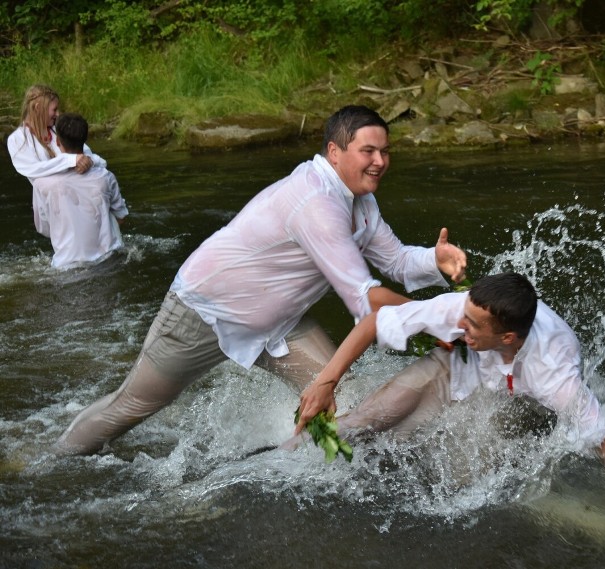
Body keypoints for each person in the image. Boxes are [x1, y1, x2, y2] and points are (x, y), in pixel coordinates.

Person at [55, 105, 467, 456]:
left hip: (279, 321)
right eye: (368, 151)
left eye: (385, 151)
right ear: (335, 152)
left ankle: (305, 472)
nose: (379, 161)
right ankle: (52, 461)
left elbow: (394, 259)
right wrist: (437, 317)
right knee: (132, 406)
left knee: (340, 400)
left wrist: (434, 259)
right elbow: (364, 301)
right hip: (204, 311)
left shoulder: (360, 199)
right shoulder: (315, 203)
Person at [288, 272, 605, 519]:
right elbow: (375, 320)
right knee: (359, 427)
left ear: (507, 337)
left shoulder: (554, 374)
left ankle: (538, 504)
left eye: (471, 325)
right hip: (453, 368)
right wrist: (326, 383)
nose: (458, 325)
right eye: (463, 316)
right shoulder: (463, 309)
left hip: (518, 403)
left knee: (461, 487)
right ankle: (283, 457)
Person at [32, 113, 129, 268]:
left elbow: (44, 228)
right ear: (85, 140)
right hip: (108, 262)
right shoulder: (105, 177)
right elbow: (121, 216)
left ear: (57, 141)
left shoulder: (41, 184)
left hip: (65, 266)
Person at [6, 84, 106, 183]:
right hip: (50, 197)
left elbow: (90, 155)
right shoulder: (17, 139)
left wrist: (88, 161)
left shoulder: (59, 129)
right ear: (38, 108)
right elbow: (33, 169)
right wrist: (70, 160)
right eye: (54, 109)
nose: (58, 114)